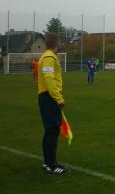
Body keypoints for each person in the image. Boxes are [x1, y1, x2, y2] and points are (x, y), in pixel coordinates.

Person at [38, 33, 69, 175]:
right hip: (49, 98)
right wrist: (58, 98)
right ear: (56, 43)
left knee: (50, 130)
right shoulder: (49, 57)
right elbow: (49, 78)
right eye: (60, 41)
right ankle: (50, 165)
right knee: (52, 131)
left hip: (47, 97)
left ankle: (49, 162)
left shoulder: (46, 56)